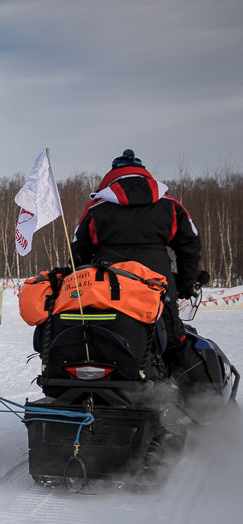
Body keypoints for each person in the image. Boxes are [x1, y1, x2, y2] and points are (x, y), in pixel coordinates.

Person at [71, 148, 201, 363]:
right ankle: (192, 394)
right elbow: (190, 244)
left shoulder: (96, 208)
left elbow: (78, 251)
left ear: (111, 176)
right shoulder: (169, 204)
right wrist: (186, 283)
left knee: (106, 340)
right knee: (172, 342)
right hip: (159, 286)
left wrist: (82, 284)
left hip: (108, 288)